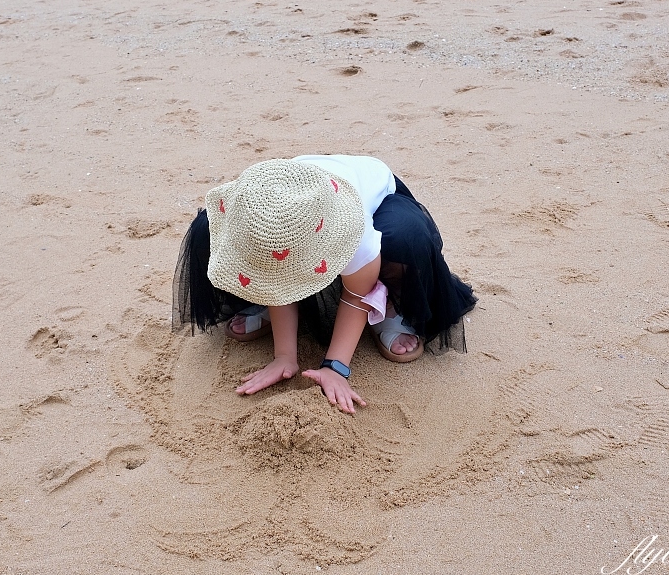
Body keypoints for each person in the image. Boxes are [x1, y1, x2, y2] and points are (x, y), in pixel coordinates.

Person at [172, 155, 477, 414]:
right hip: (294, 203)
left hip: (376, 196)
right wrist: (284, 357)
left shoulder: (355, 234)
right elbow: (277, 271)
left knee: (404, 238)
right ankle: (261, 298)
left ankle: (388, 307)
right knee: (207, 229)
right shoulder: (259, 208)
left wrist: (335, 368)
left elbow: (356, 294)